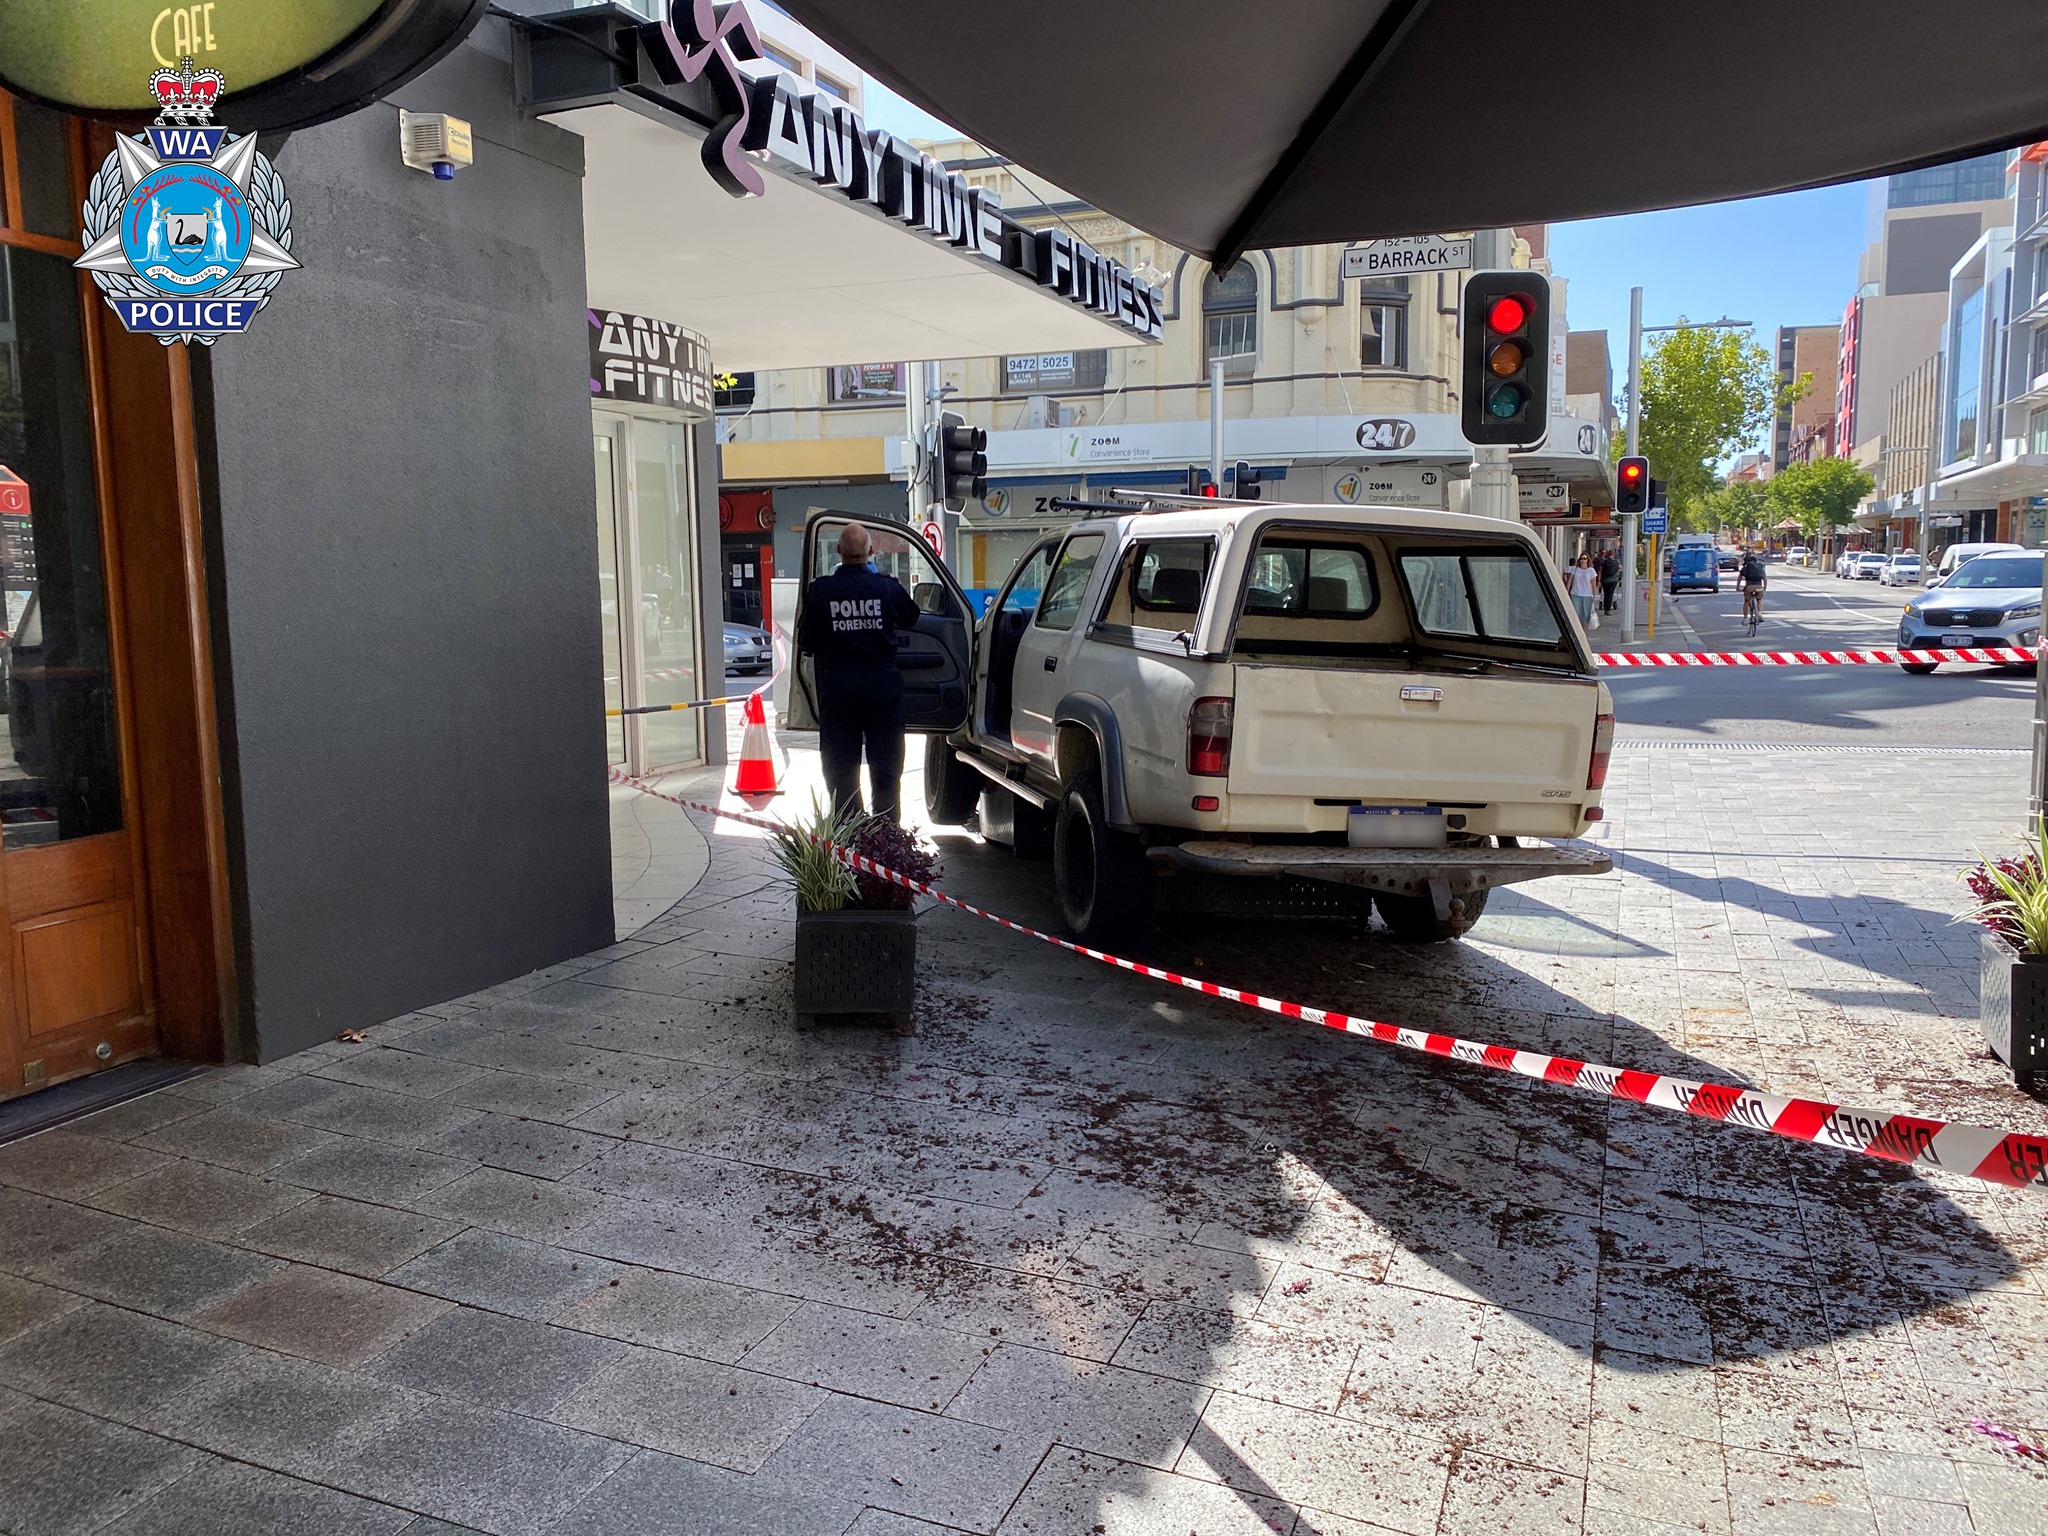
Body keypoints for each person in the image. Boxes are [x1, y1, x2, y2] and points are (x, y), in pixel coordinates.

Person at [799, 522, 920, 822]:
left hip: (839, 694)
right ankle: (886, 839)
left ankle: (849, 837)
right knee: (887, 771)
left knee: (841, 773)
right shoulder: (887, 587)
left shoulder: (821, 591)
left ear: (838, 551)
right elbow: (912, 616)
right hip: (883, 693)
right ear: (871, 550)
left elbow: (806, 643)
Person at [1566, 553, 1600, 628]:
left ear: (1588, 560)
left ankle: (1584, 632)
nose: (1583, 560)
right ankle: (1577, 630)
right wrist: (1567, 591)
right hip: (1575, 594)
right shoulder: (1575, 569)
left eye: (1585, 559)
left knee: (1585, 616)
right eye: (1581, 558)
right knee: (1576, 614)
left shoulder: (1591, 570)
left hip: (1587, 595)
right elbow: (1570, 581)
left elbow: (1593, 584)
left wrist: (1594, 595)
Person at [1740, 548, 1768, 625]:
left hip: (1749, 587)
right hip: (1759, 587)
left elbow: (1739, 578)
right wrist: (1764, 588)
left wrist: (1738, 587)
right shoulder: (1760, 567)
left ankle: (1745, 618)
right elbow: (1765, 578)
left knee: (1746, 601)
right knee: (1759, 599)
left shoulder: (1745, 568)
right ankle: (1759, 613)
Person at [1597, 548, 1621, 614]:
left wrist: (1599, 580)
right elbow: (1620, 568)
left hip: (1605, 580)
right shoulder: (1616, 562)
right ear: (1614, 554)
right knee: (1610, 594)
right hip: (1613, 580)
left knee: (1605, 594)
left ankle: (1605, 608)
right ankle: (1608, 610)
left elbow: (1600, 571)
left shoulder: (1604, 561)